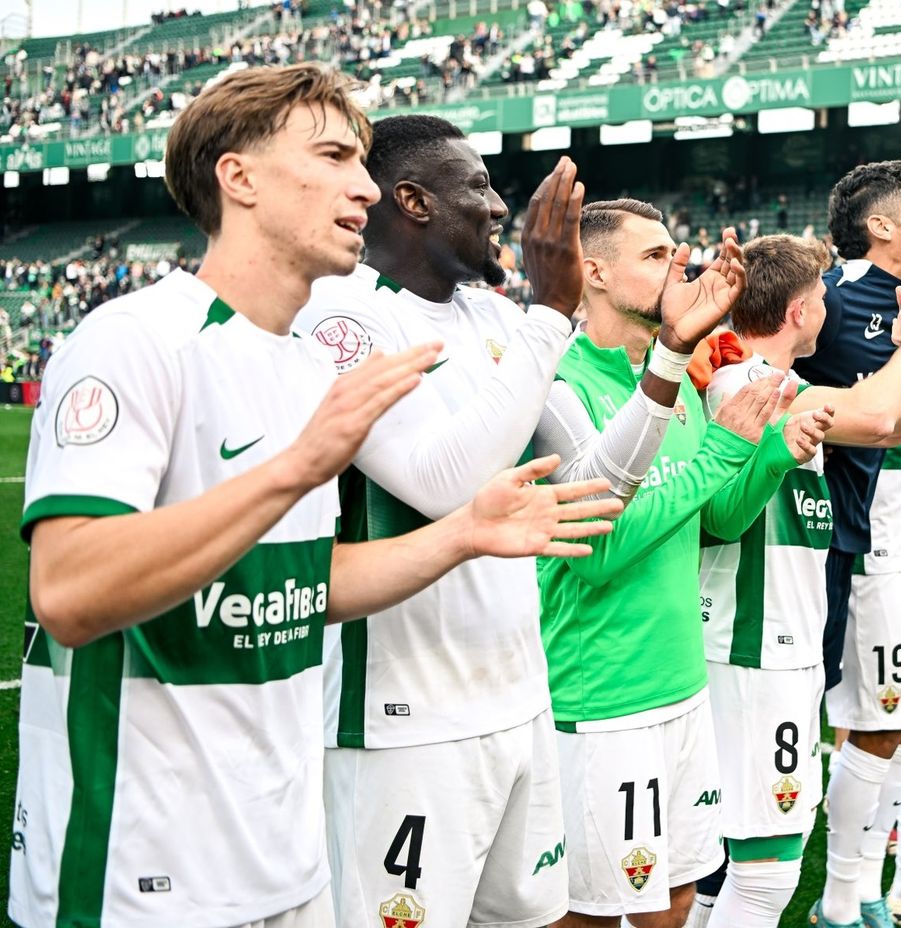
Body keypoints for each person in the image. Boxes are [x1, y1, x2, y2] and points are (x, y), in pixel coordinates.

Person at [11, 63, 620, 928]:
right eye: (334, 156)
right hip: (141, 868)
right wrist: (297, 468)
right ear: (240, 177)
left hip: (285, 854)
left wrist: (464, 536)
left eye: (365, 163)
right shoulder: (134, 342)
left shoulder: (306, 362)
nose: (364, 186)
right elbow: (68, 594)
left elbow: (302, 585)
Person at [293, 116, 738, 928]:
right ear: (414, 201)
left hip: (517, 696)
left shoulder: (494, 320)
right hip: (404, 721)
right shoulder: (343, 319)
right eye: (478, 187)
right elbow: (443, 484)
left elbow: (594, 490)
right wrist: (551, 314)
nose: (499, 208)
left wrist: (670, 356)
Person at [537, 198, 811, 928]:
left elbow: (717, 518)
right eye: (655, 256)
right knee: (592, 912)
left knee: (676, 899)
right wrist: (721, 452)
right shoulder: (561, 384)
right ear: (593, 271)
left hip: (682, 685)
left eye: (674, 251)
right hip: (603, 698)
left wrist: (774, 453)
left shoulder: (674, 375)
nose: (677, 266)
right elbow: (598, 550)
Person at [692, 233, 901, 928]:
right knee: (765, 871)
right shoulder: (746, 382)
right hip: (751, 648)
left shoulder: (775, 384)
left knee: (738, 862)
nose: (832, 307)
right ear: (801, 311)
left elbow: (891, 430)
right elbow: (882, 415)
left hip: (779, 646)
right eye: (824, 296)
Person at [792, 161, 901, 928]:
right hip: (870, 548)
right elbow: (876, 420)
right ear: (881, 225)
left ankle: (867, 884)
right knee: (878, 721)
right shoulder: (831, 298)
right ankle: (841, 896)